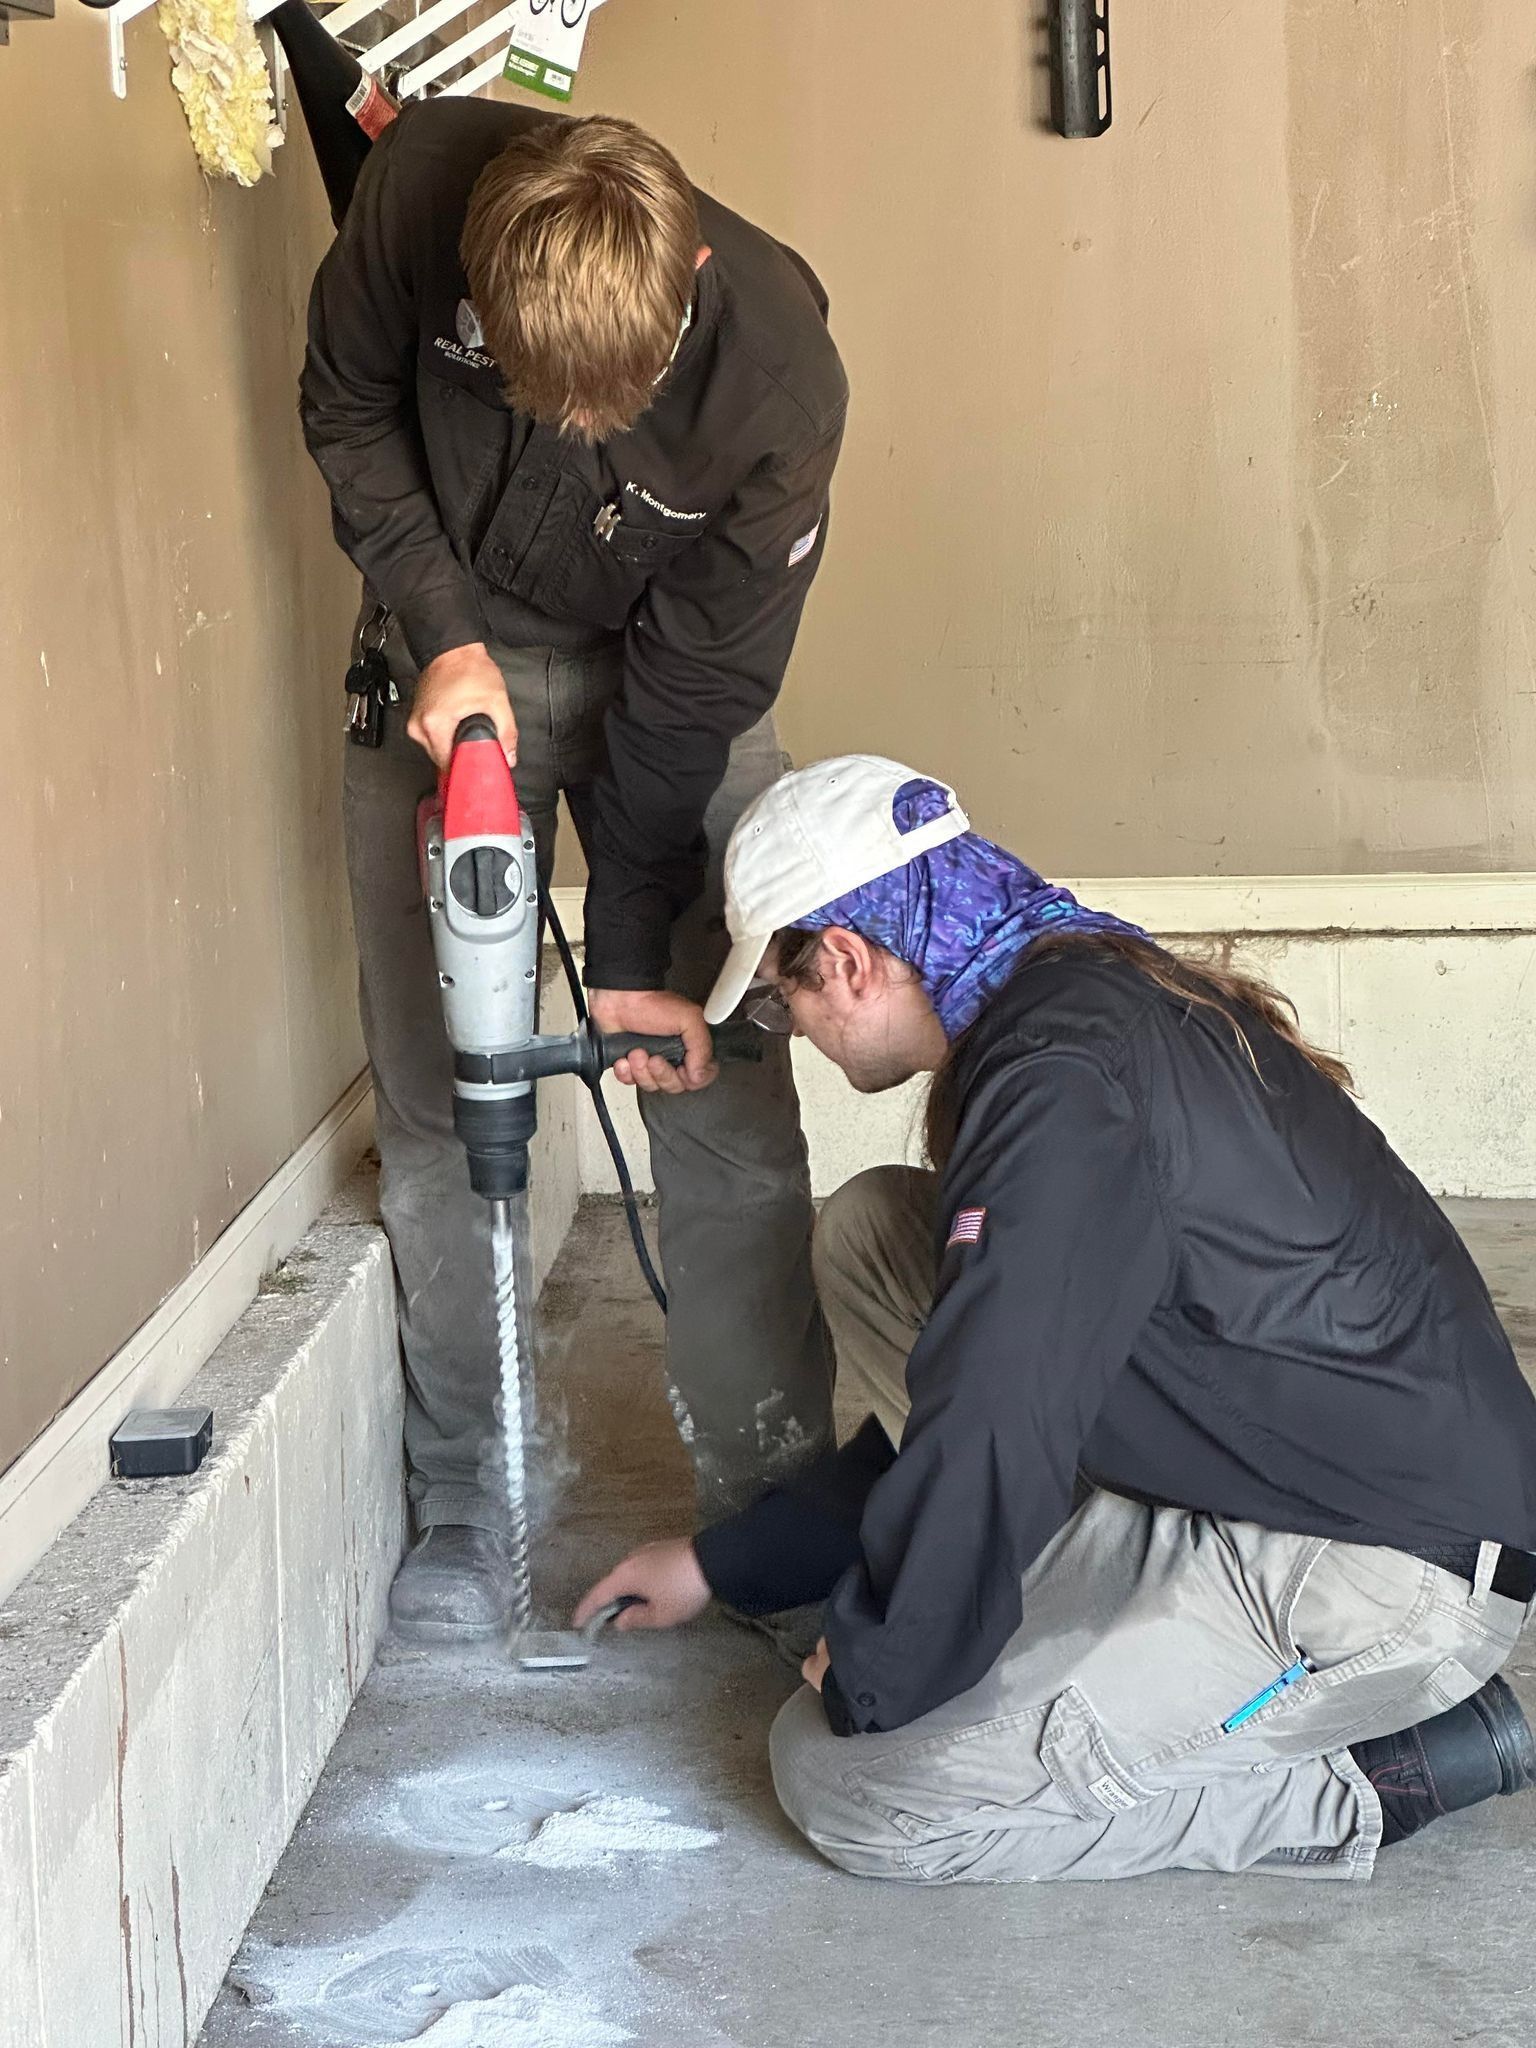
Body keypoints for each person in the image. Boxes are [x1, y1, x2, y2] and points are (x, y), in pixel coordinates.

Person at [576, 754, 1536, 1884]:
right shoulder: (1072, 990)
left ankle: (1384, 1769)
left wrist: (882, 1659)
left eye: (785, 1008)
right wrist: (728, 1560)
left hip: (1382, 1568)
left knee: (856, 1784)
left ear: (846, 959)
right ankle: (1067, 1590)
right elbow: (982, 1377)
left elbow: (999, 1407)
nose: (800, 1033)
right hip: (1279, 1456)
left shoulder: (1056, 1080)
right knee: (882, 1226)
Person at [300, 101, 847, 1638]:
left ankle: (764, 1514)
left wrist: (634, 946)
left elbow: (697, 690)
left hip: (672, 679)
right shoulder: (415, 197)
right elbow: (345, 408)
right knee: (436, 1088)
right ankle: (474, 1502)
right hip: (446, 650)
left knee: (721, 1087)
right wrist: (438, 626)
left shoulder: (781, 379)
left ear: (683, 267)